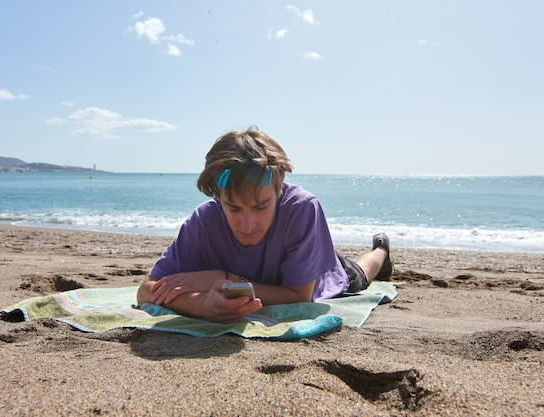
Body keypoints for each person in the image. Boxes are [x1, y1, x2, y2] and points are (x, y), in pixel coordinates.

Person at [137, 126, 394, 323]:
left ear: (279, 186)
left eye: (260, 206)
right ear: (218, 194)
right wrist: (201, 303)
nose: (247, 225)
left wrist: (222, 279)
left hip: (321, 276)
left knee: (361, 273)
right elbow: (146, 291)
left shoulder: (302, 209)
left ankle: (381, 249)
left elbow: (298, 296)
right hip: (283, 265)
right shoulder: (204, 221)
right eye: (234, 208)